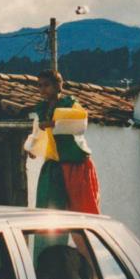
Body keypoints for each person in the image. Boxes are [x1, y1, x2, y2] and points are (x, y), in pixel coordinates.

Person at [28, 70, 101, 213]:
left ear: (58, 85)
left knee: (82, 211)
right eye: (40, 86)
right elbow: (37, 131)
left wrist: (54, 123)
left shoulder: (70, 104)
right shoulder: (42, 109)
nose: (43, 89)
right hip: (54, 166)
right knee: (51, 212)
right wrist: (32, 148)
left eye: (47, 85)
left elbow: (81, 123)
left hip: (75, 164)